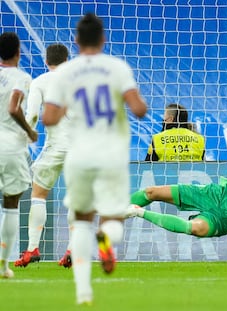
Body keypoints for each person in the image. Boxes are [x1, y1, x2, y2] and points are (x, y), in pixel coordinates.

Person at [42, 13, 147, 305]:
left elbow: (49, 117)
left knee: (81, 219)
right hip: (111, 153)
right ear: (103, 39)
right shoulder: (117, 68)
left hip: (79, 155)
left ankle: (83, 293)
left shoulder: (65, 73)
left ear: (76, 41)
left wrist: (65, 109)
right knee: (112, 218)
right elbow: (139, 109)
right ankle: (105, 241)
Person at [14, 43, 73, 269]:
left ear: (47, 62)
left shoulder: (40, 82)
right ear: (68, 60)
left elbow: (31, 116)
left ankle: (32, 249)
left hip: (55, 148)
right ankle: (72, 249)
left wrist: (27, 137)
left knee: (38, 195)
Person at [0, 32, 38, 278]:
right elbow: (14, 107)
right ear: (18, 52)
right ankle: (3, 266)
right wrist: (30, 131)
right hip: (10, 146)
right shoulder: (21, 77)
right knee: (11, 203)